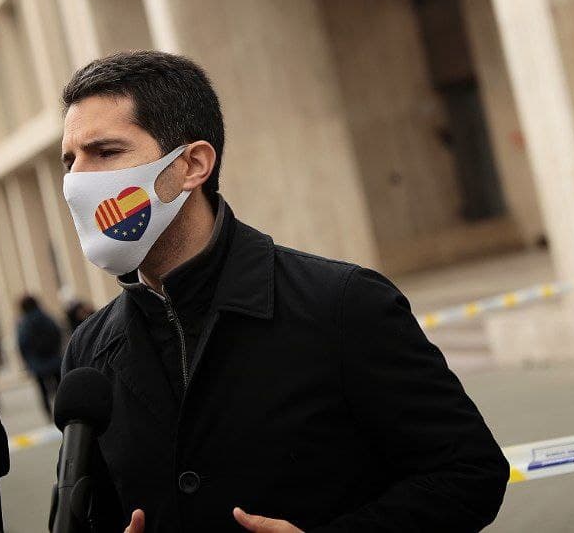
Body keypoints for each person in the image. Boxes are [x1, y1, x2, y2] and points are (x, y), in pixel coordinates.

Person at [54, 51, 508, 532]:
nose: (77, 180)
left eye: (105, 152)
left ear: (192, 165)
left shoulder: (341, 304)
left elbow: (469, 474)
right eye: (69, 159)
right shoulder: (89, 351)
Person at [15, 296, 62, 419]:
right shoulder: (46, 317)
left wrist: (27, 361)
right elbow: (57, 332)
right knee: (59, 386)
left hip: (37, 363)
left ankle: (48, 412)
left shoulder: (23, 323)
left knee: (42, 390)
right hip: (53, 359)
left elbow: (22, 343)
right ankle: (62, 407)